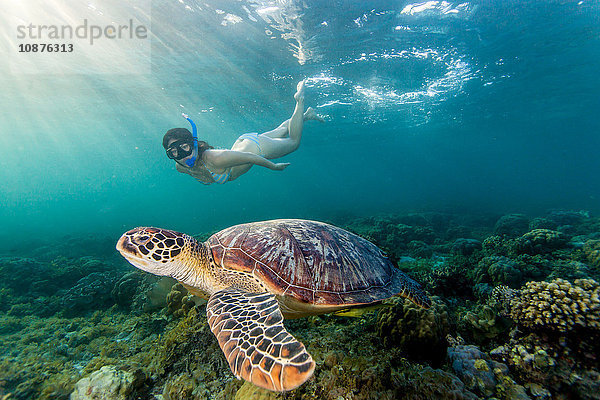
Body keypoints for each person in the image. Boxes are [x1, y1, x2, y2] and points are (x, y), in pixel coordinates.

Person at [162, 80, 323, 185]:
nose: (183, 155)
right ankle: (307, 115)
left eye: (184, 147)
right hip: (245, 143)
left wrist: (273, 167)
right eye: (174, 152)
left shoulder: (214, 158)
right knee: (280, 130)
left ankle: (299, 100)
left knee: (293, 142)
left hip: (257, 148)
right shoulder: (181, 166)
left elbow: (250, 158)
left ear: (194, 144)